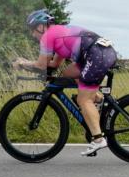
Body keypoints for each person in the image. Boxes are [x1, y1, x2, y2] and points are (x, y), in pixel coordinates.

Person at [13, 9, 118, 156]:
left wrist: (23, 63)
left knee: (83, 99)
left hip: (96, 55)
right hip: (97, 53)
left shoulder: (48, 36)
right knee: (66, 74)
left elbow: (41, 65)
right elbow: (54, 65)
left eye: (33, 30)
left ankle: (98, 139)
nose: (32, 34)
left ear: (41, 26)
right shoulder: (57, 34)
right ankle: (98, 99)